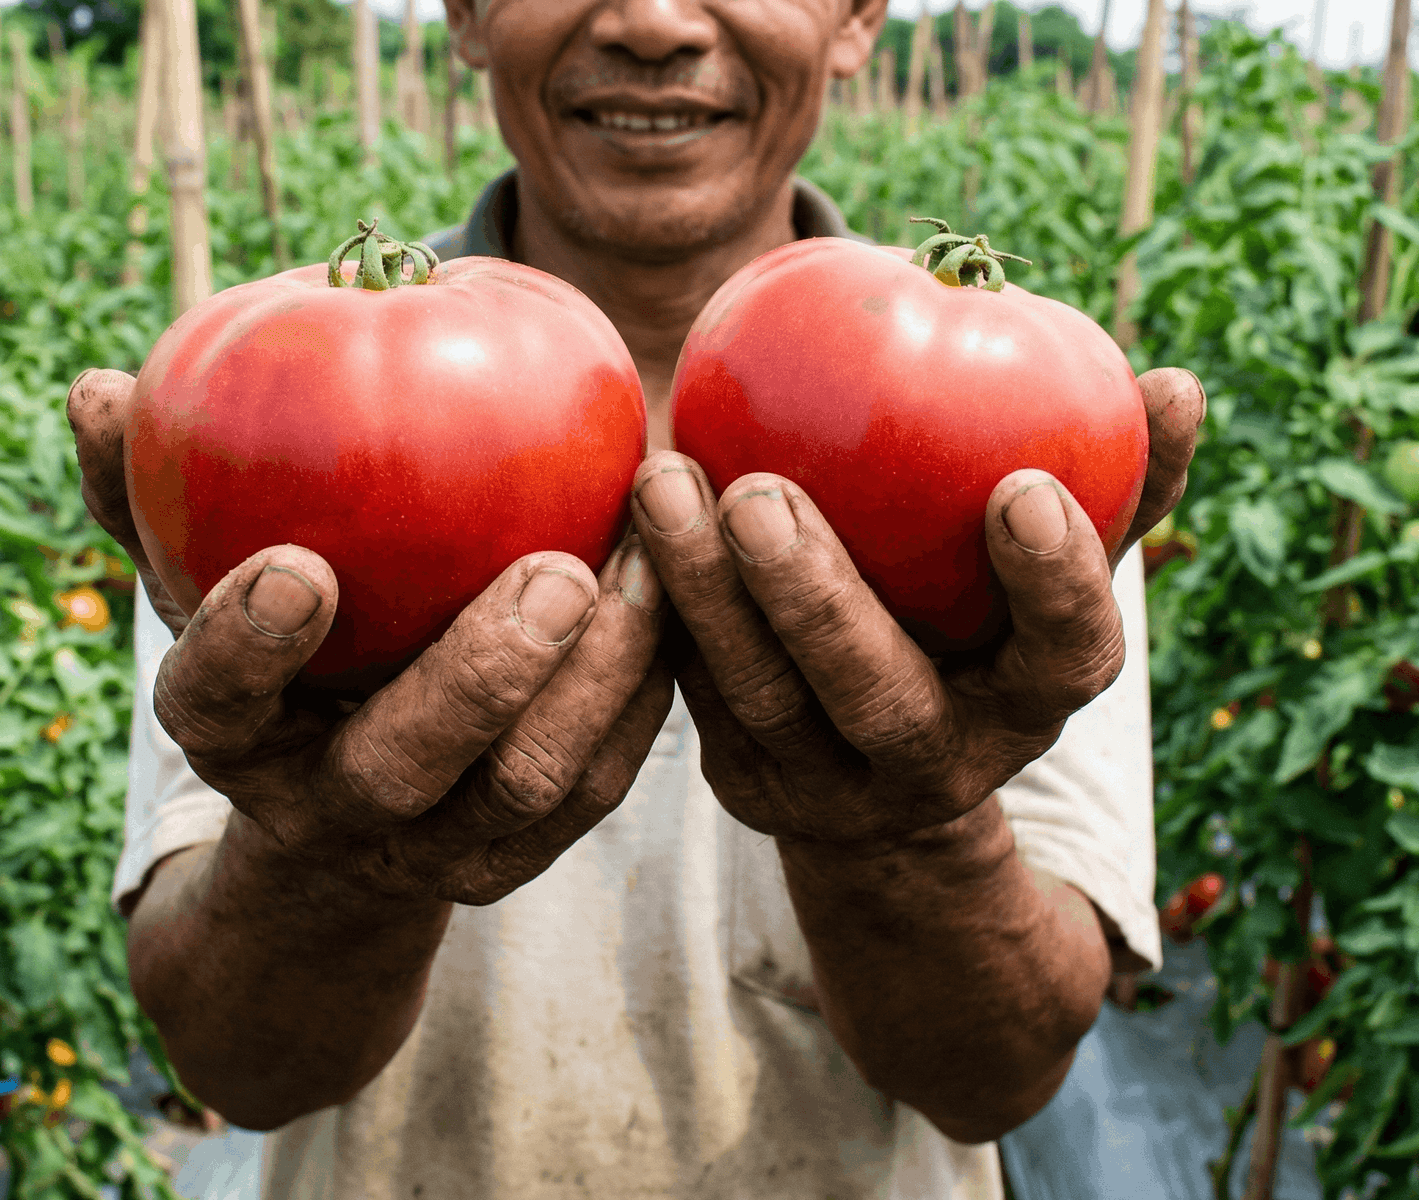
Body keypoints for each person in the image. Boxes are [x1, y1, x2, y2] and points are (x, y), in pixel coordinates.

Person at [66, 0, 1205, 1195]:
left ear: (858, 15)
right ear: (464, 13)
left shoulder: (1026, 460)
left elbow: (1000, 1078)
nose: (656, 21)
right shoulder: (256, 424)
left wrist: (913, 836)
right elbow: (236, 1070)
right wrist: (334, 866)